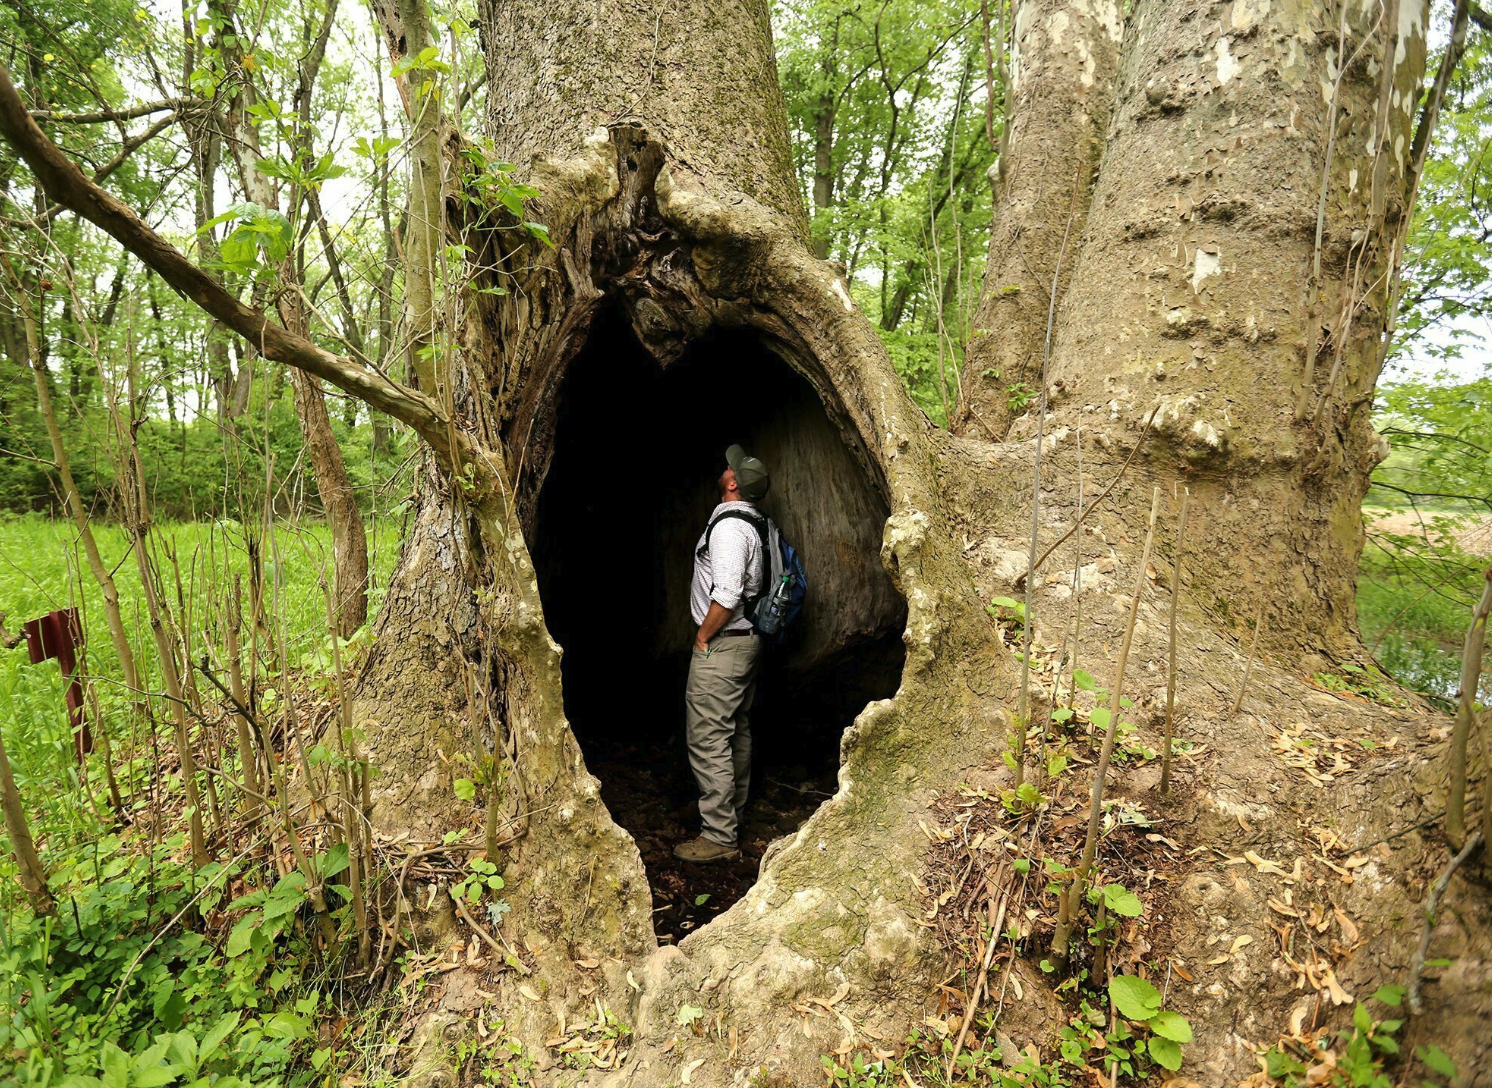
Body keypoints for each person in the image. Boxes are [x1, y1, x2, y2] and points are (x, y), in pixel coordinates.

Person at [674, 444, 771, 863]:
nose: (725, 466)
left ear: (732, 484)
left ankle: (718, 837)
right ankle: (731, 813)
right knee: (736, 730)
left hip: (725, 645)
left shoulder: (731, 529)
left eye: (730, 467)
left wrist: (702, 636)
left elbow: (728, 592)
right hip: (745, 644)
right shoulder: (753, 524)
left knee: (709, 735)